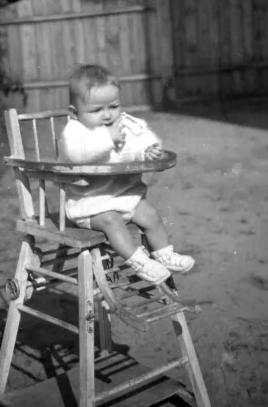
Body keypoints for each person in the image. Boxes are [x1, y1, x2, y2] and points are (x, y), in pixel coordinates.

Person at [59, 64, 194, 285]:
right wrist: (107, 138)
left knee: (150, 214)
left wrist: (149, 149)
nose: (107, 115)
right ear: (74, 113)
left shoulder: (124, 124)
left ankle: (164, 253)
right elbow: (76, 154)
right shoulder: (75, 132)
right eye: (96, 110)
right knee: (112, 222)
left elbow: (141, 137)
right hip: (90, 204)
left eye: (113, 106)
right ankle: (138, 261)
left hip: (124, 196)